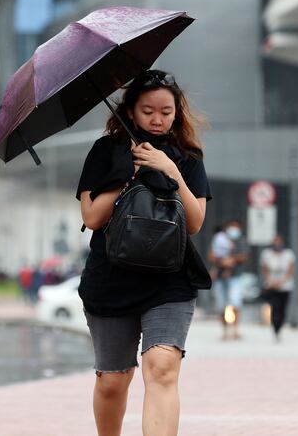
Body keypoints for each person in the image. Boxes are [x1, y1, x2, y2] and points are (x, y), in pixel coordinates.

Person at [77, 69, 211, 436]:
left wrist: (170, 171)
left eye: (166, 111)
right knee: (113, 380)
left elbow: (195, 221)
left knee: (162, 365)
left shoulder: (188, 157)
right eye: (148, 110)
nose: (157, 119)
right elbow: (91, 216)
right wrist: (126, 174)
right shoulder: (105, 151)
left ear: (176, 113)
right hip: (111, 280)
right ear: (132, 110)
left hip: (170, 280)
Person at [208, 219, 248, 340]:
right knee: (221, 305)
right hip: (220, 278)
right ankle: (225, 331)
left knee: (235, 303)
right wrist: (222, 262)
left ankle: (236, 329)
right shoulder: (219, 239)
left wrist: (232, 260)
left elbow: (244, 256)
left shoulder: (241, 241)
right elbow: (211, 255)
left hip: (235, 277)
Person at [260, 234, 296, 342]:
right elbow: (265, 269)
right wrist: (271, 281)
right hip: (271, 286)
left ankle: (280, 327)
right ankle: (275, 327)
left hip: (285, 286)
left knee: (283, 309)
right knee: (275, 307)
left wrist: (282, 281)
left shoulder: (289, 254)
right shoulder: (267, 254)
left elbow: (290, 270)